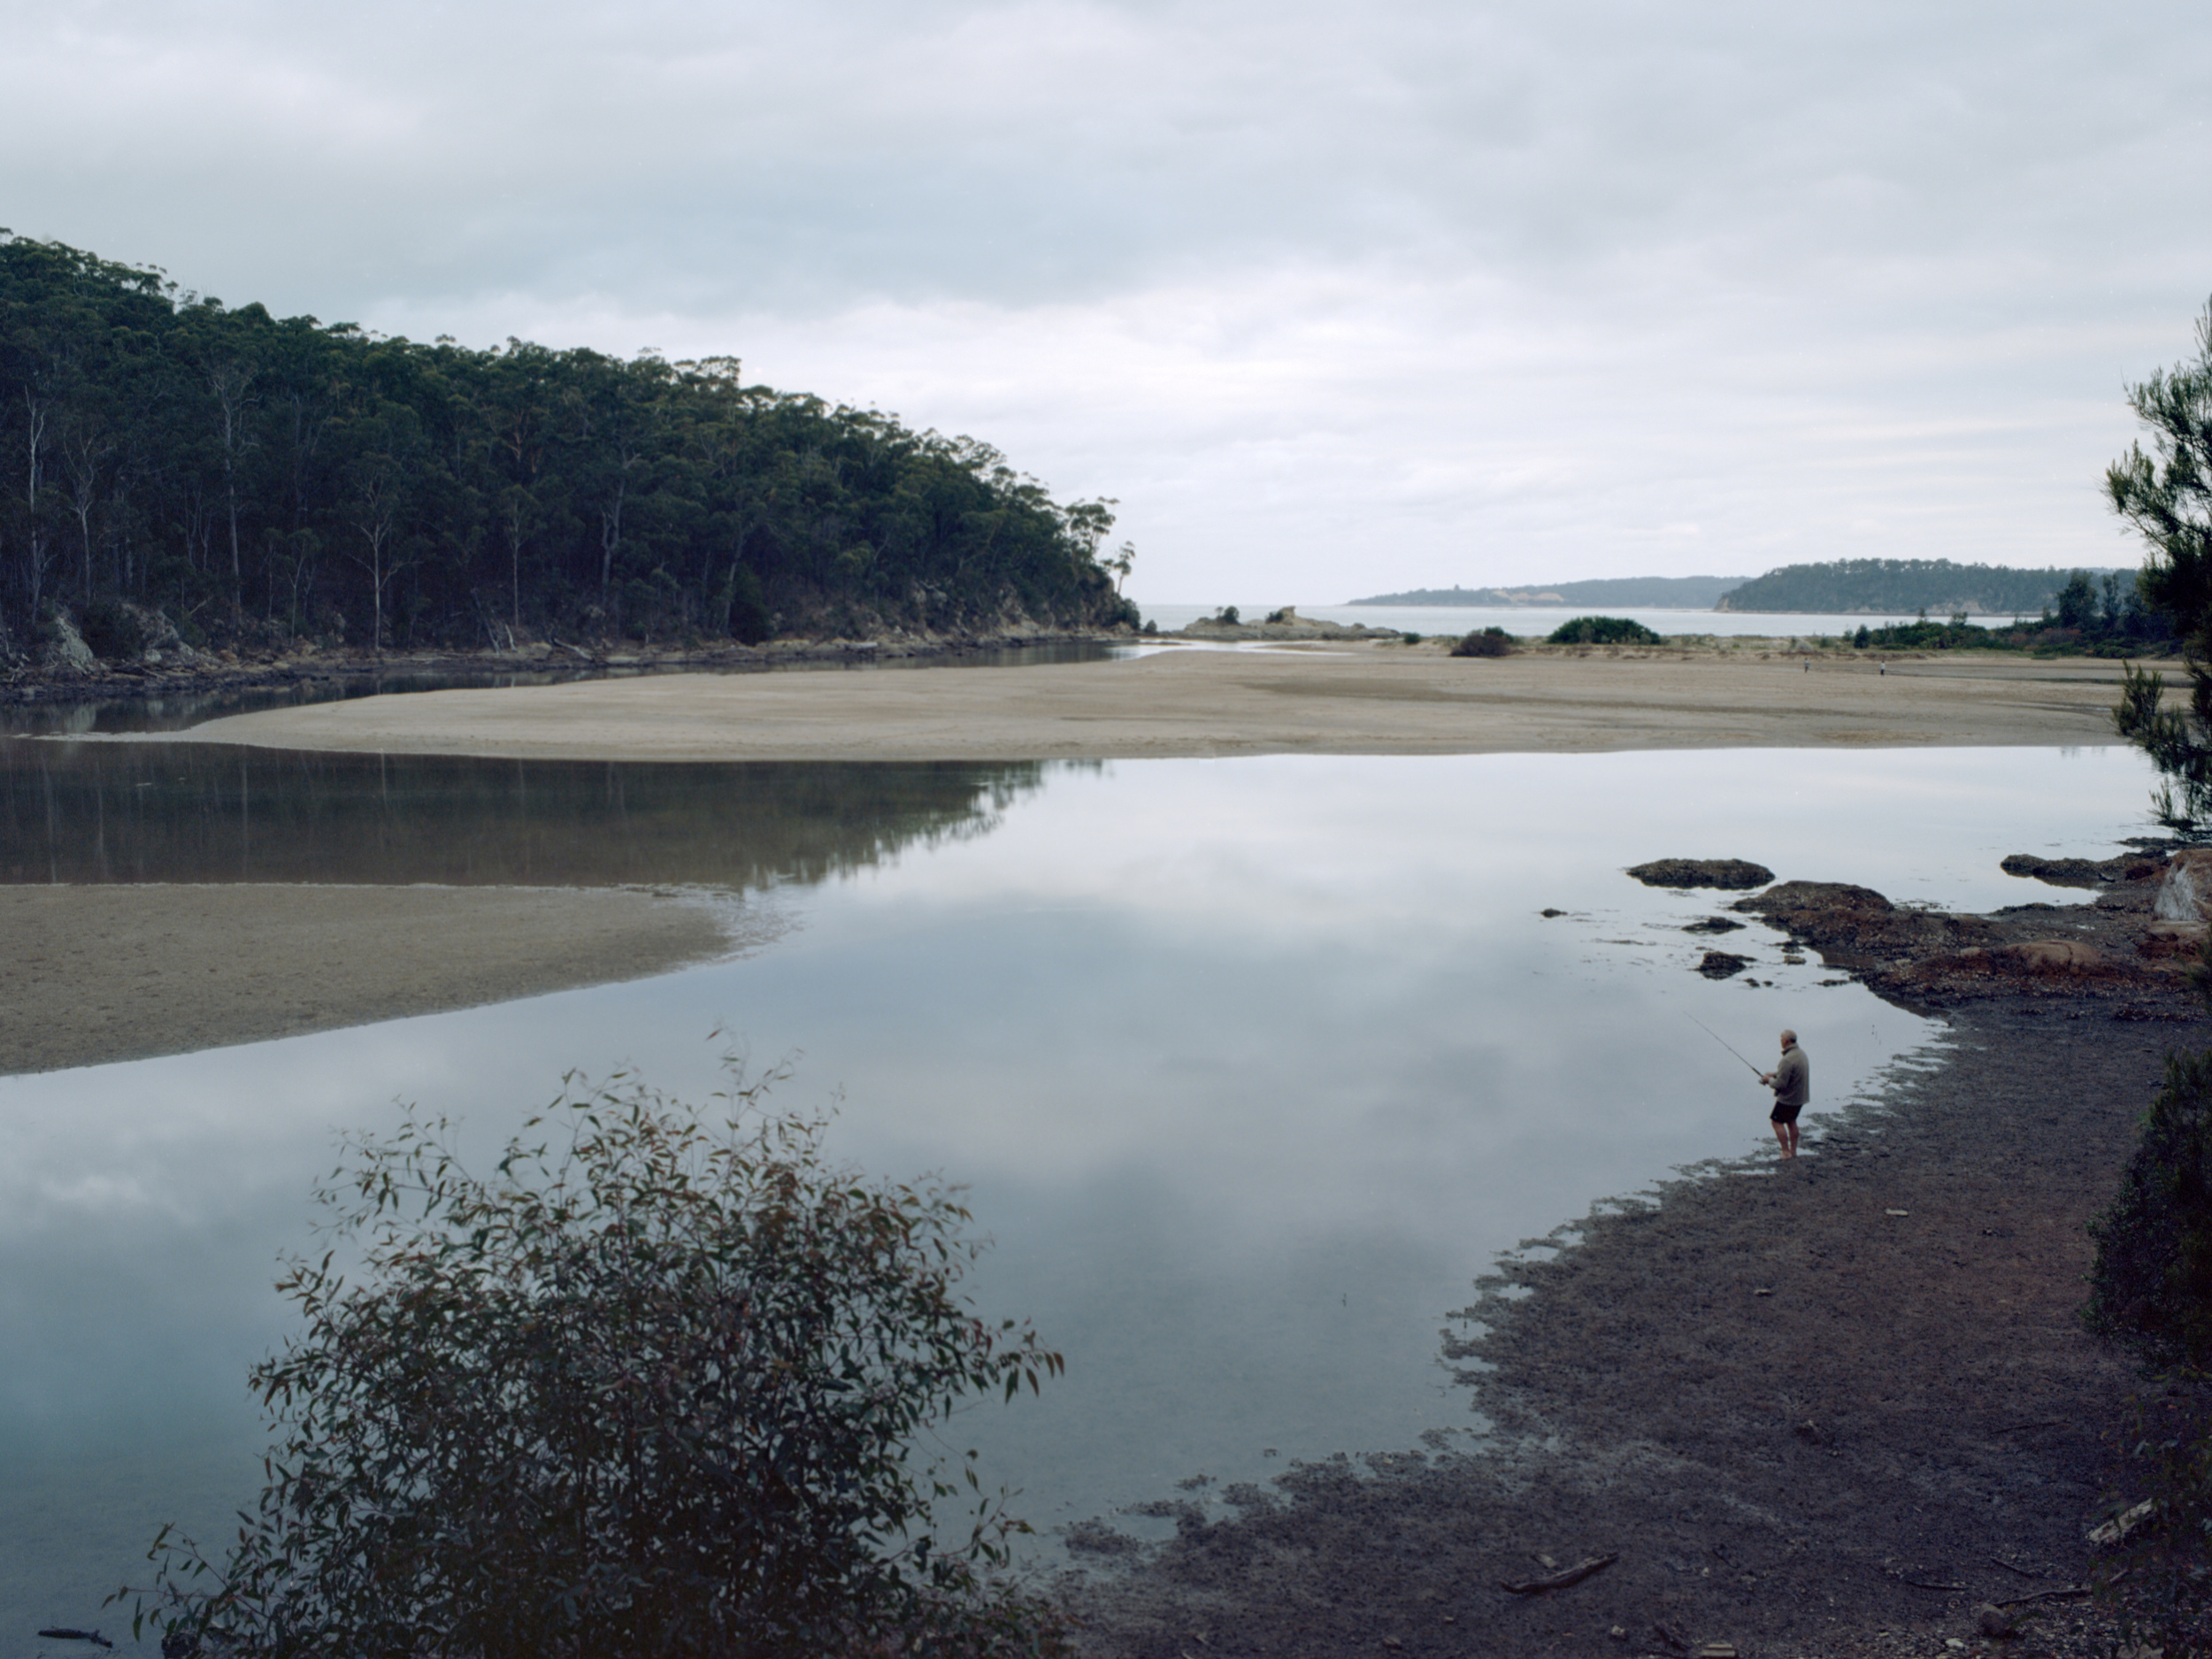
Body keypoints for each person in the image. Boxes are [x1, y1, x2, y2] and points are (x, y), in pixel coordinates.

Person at [1759, 1029, 1809, 1159]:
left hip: (1789, 1099)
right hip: (1800, 1097)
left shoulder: (1787, 1059)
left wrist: (1767, 1080)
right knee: (1791, 1120)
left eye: (1781, 1038)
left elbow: (1780, 1084)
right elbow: (1789, 1072)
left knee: (1776, 1122)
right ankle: (1793, 1151)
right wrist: (1774, 1074)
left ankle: (1786, 1152)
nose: (1780, 1041)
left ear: (1786, 1041)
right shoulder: (1801, 1054)